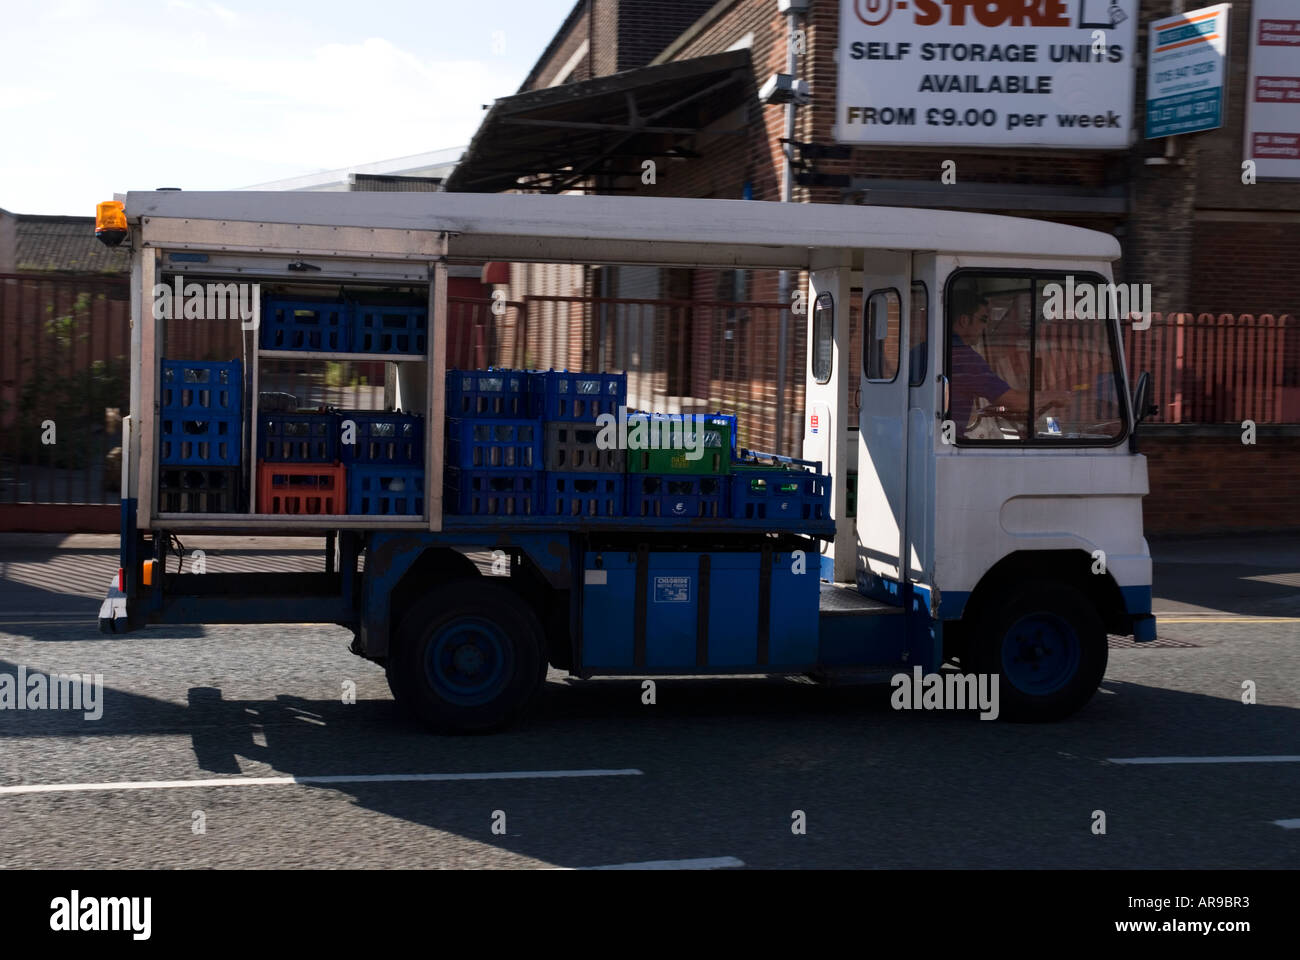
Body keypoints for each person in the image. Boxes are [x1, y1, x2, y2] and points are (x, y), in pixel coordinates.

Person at [949, 290, 1066, 435]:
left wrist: (997, 410)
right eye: (983, 320)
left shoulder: (927, 350)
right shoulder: (965, 359)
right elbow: (1017, 402)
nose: (985, 327)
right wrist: (1055, 396)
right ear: (964, 320)